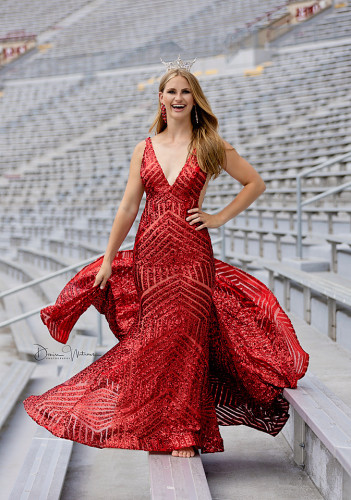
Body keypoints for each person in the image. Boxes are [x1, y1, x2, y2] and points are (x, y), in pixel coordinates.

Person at [23, 57, 309, 459]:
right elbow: (127, 208)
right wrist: (107, 259)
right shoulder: (144, 148)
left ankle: (184, 430)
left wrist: (217, 217)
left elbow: (254, 182)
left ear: (195, 99)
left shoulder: (209, 144)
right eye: (171, 91)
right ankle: (161, 423)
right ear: (161, 99)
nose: (178, 97)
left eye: (185, 91)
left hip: (193, 256)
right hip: (151, 259)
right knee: (158, 337)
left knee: (189, 338)